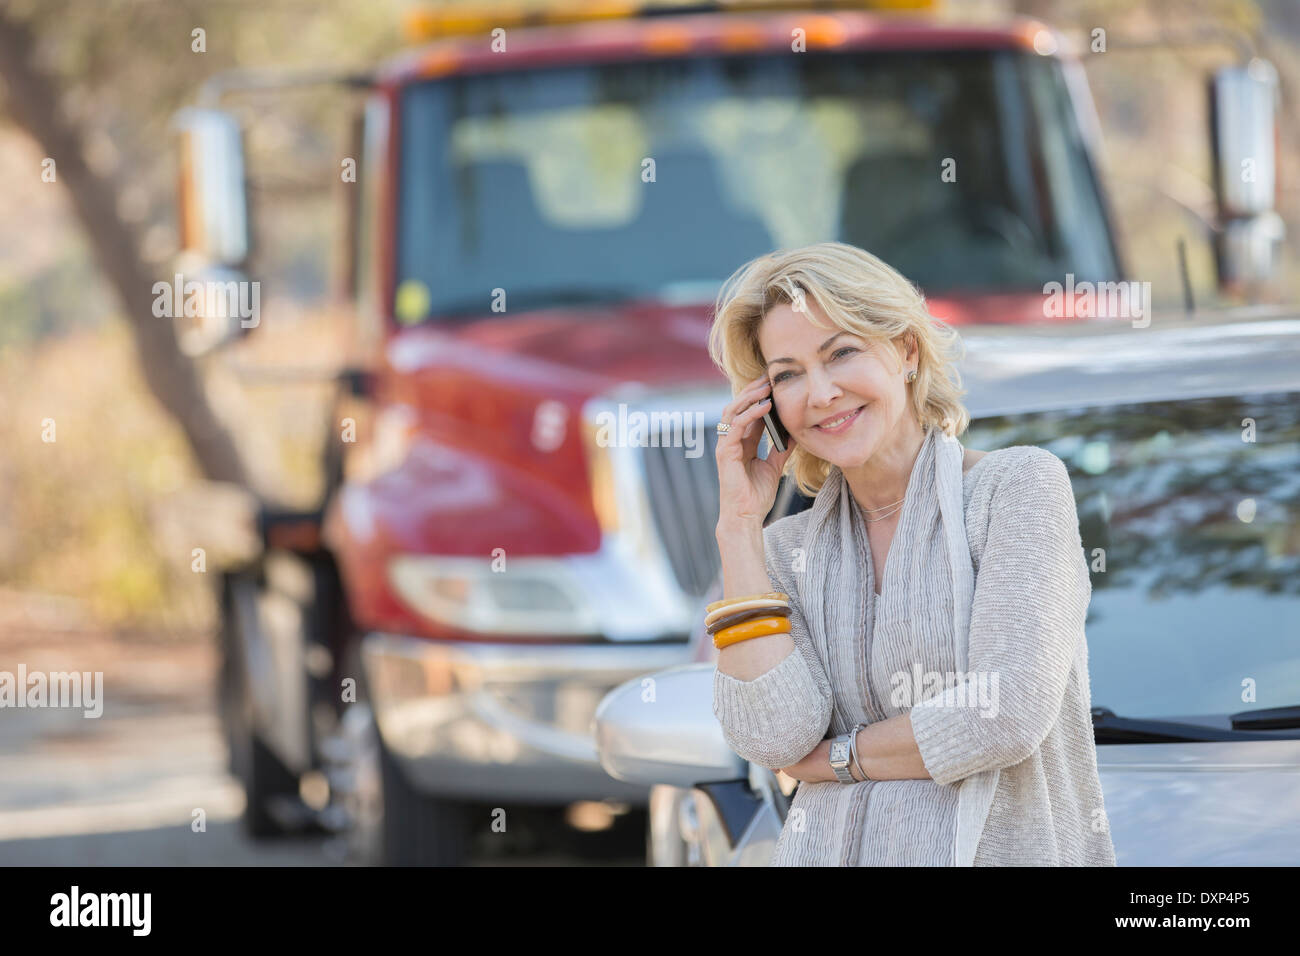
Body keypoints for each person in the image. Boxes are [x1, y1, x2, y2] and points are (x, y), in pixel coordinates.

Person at [706, 241, 1116, 866]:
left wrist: (836, 759)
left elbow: (1005, 711)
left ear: (905, 350)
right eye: (787, 373)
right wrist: (738, 527)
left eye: (841, 352)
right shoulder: (781, 554)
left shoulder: (1016, 490)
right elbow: (773, 736)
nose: (819, 393)